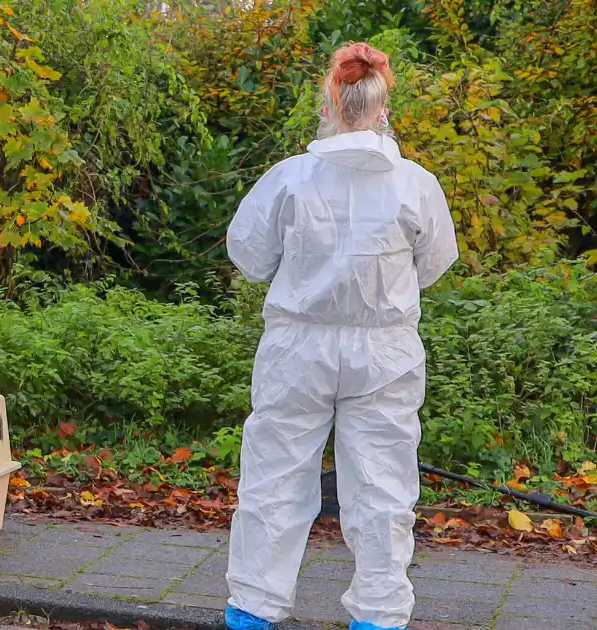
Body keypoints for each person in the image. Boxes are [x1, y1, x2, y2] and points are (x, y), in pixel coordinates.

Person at [223, 43, 458, 630]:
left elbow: (249, 256)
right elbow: (433, 263)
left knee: (276, 476)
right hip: (385, 349)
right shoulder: (416, 184)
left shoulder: (291, 179)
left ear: (330, 100)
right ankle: (379, 616)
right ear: (383, 106)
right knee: (382, 482)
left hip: (297, 347)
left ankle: (253, 608)